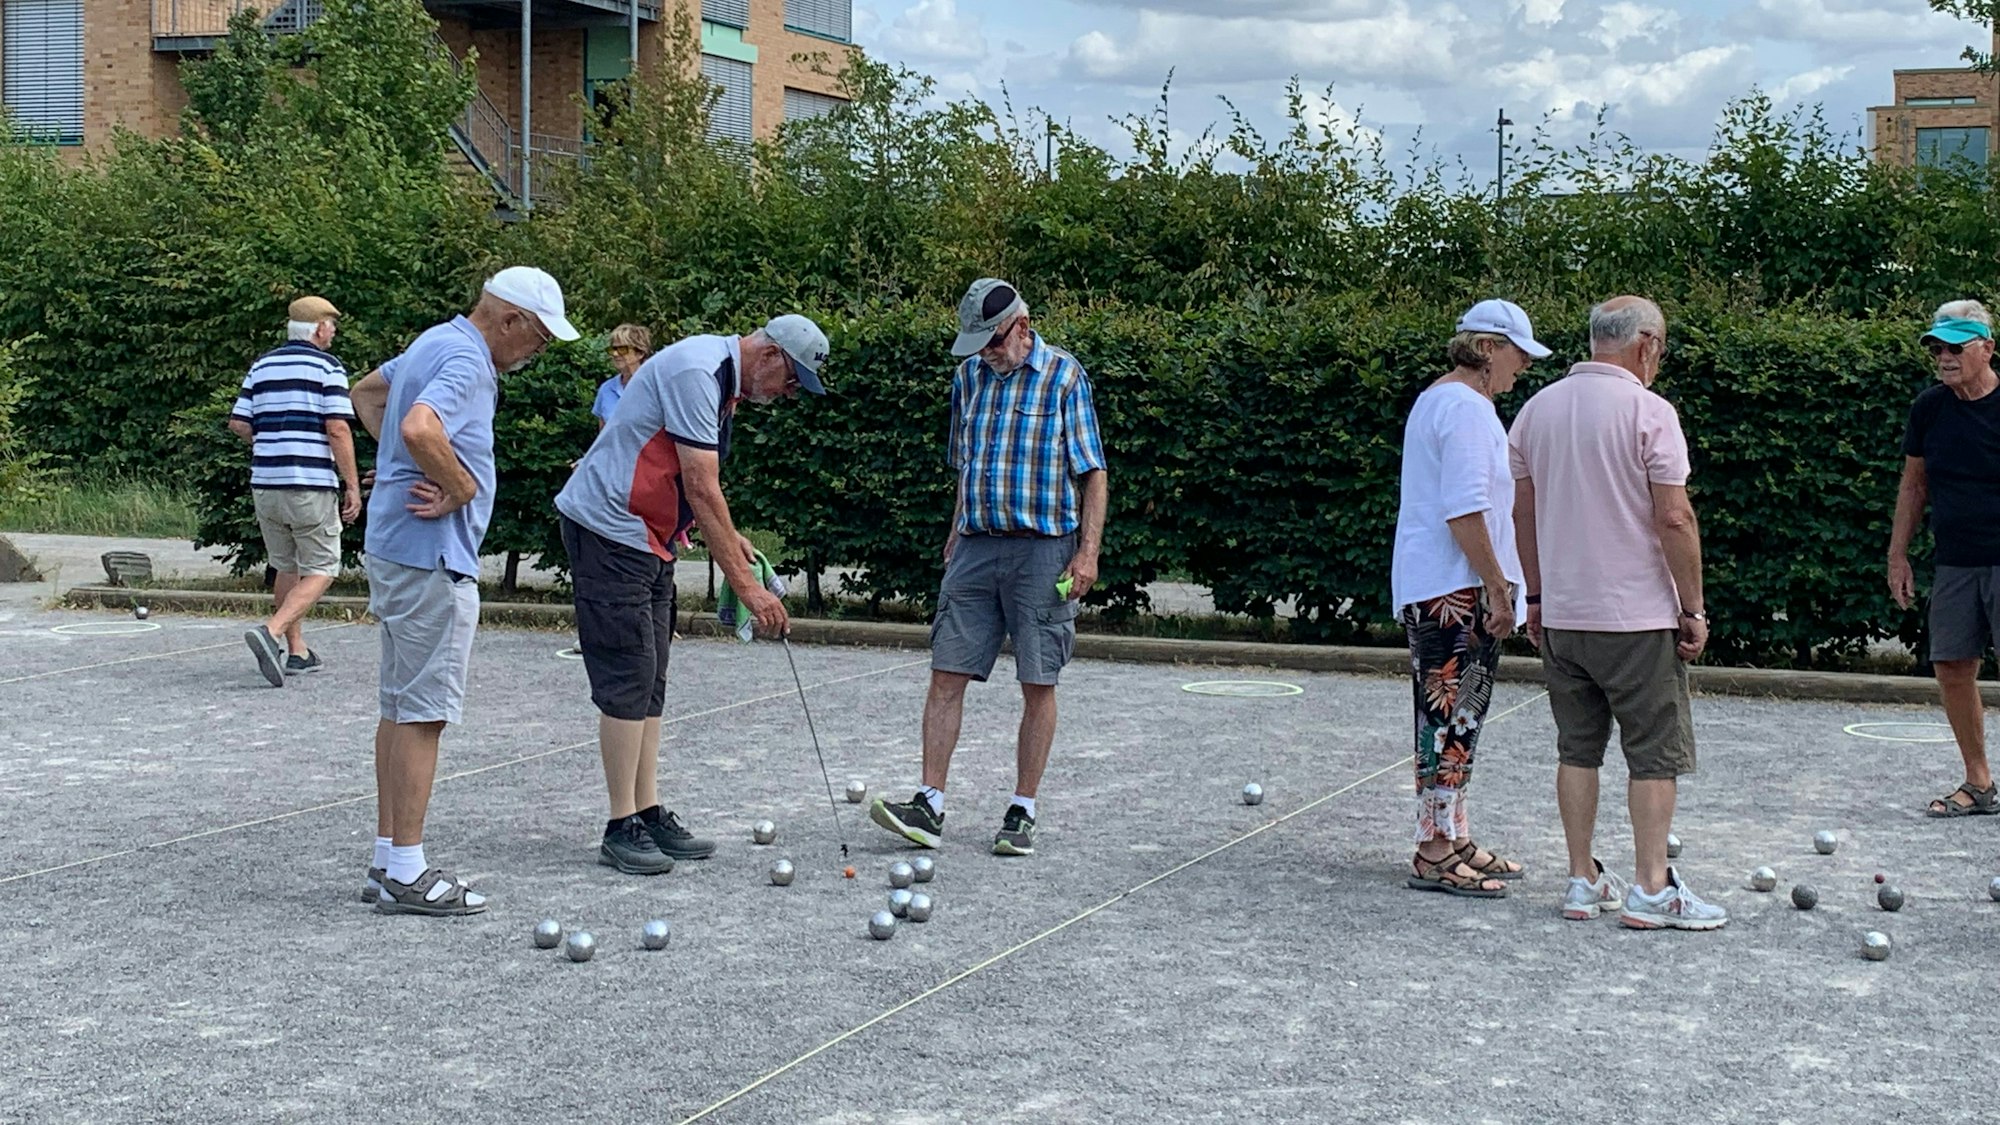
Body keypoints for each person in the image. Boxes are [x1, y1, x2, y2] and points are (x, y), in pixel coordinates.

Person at [555, 316, 825, 874]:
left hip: (647, 536)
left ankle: (647, 810)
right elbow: (702, 485)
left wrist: (730, 538)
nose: (788, 395)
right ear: (770, 355)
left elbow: (690, 482)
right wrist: (748, 588)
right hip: (610, 530)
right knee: (628, 673)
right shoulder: (698, 373)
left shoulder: (724, 381)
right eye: (791, 381)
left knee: (651, 673)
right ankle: (620, 825)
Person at [346, 267, 577, 914]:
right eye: (537, 338)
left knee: (399, 706)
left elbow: (368, 393)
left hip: (396, 547)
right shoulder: (469, 361)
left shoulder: (433, 340)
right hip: (433, 555)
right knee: (424, 713)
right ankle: (408, 870)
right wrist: (461, 484)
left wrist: (399, 466)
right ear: (509, 320)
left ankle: (387, 859)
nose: (536, 353)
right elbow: (420, 427)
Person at [870, 279, 1108, 858]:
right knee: (945, 672)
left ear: (1022, 326)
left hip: (1044, 549)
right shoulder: (968, 378)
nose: (987, 354)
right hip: (976, 545)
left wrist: (1087, 553)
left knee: (1038, 680)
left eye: (993, 341)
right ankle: (928, 804)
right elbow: (965, 461)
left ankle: (1023, 810)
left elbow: (1092, 472)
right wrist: (957, 526)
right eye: (977, 344)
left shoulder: (1064, 376)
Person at [1510, 295, 1723, 931]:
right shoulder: (1650, 411)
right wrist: (1693, 607)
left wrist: (1536, 597)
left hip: (1564, 613)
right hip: (1636, 616)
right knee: (1653, 755)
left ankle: (1582, 879)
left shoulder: (1536, 410)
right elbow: (1675, 517)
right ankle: (1651, 887)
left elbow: (1523, 512)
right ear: (1647, 345)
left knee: (1577, 750)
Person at [1390, 300, 1545, 898]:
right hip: (1455, 590)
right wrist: (1498, 588)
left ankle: (1452, 834)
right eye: (1517, 353)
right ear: (1486, 349)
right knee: (1446, 719)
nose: (1523, 367)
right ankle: (1433, 849)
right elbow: (1465, 509)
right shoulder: (1466, 408)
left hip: (1448, 585)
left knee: (1459, 717)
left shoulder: (1444, 400)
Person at [1888, 301, 2000, 818]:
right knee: (1952, 665)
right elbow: (1914, 485)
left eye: (1955, 346)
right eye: (1937, 348)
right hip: (1955, 560)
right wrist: (1898, 555)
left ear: (1987, 348)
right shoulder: (1929, 408)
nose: (1944, 357)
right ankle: (1979, 783)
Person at [232, 296, 362, 685]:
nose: (334, 332)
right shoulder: (328, 367)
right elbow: (337, 428)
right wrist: (352, 485)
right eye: (332, 326)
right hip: (310, 483)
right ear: (319, 328)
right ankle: (271, 632)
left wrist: (271, 443)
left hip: (266, 483)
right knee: (323, 568)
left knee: (286, 565)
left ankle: (297, 651)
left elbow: (239, 423)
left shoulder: (262, 365)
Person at [593, 323, 653, 430]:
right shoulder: (606, 389)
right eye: (613, 349)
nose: (615, 354)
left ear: (640, 353)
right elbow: (603, 434)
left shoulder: (652, 388)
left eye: (622, 349)